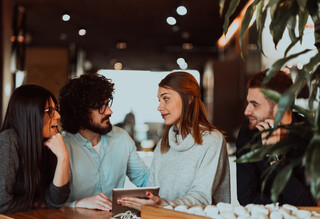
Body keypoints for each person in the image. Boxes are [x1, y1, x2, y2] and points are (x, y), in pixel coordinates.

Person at [118, 71, 231, 210]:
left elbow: (202, 198)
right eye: (159, 100)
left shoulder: (212, 141)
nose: (159, 107)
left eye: (166, 99)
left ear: (189, 97)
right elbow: (153, 191)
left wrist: (161, 204)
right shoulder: (163, 144)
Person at [59, 73, 149, 211]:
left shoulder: (122, 138)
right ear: (80, 113)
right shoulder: (62, 147)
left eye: (107, 104)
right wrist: (78, 204)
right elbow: (50, 205)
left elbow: (145, 180)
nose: (109, 111)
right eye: (99, 107)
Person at [236, 69, 317, 206]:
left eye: (255, 104)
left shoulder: (311, 136)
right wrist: (290, 201)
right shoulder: (247, 135)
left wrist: (276, 158)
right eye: (248, 103)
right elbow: (246, 199)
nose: (246, 111)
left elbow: (307, 203)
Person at [0, 85, 70, 219]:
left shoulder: (50, 143)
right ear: (29, 114)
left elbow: (56, 201)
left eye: (56, 108)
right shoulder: (8, 141)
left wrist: (63, 157)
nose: (58, 115)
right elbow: (2, 203)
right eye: (50, 111)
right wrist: (39, 202)